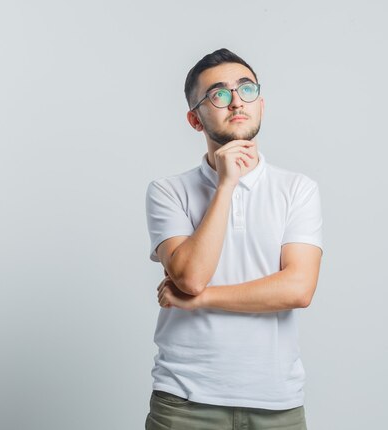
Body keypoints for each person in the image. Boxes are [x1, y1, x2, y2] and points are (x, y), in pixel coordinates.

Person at [144, 48, 323, 430]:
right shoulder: (168, 191)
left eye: (246, 89)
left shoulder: (298, 189)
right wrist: (226, 185)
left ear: (261, 103)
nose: (236, 100)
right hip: (186, 400)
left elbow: (298, 288)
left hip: (277, 402)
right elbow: (190, 277)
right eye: (219, 94)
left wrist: (203, 299)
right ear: (195, 119)